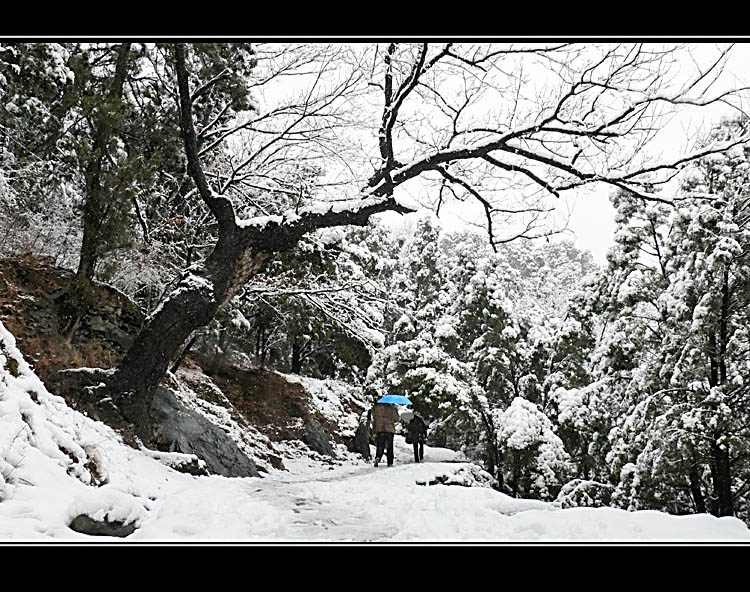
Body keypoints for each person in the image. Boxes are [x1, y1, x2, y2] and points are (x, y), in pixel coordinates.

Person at [371, 401, 400, 467]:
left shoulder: (377, 408)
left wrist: (374, 429)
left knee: (380, 446)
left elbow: (374, 418)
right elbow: (397, 419)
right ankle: (390, 462)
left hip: (379, 429)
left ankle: (378, 457)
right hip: (389, 429)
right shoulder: (392, 408)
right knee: (389, 447)